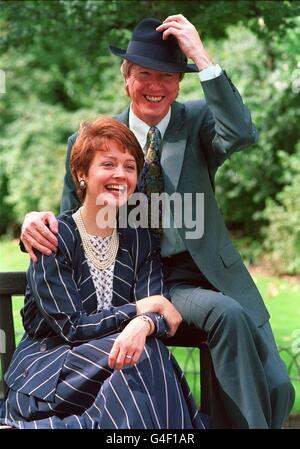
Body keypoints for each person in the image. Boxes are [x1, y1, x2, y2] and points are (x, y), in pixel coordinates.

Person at [19, 15, 294, 428]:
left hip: (209, 270)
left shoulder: (198, 121)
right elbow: (72, 213)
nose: (156, 85)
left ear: (180, 83)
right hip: (147, 279)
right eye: (145, 73)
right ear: (127, 77)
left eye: (167, 75)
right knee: (225, 316)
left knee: (275, 386)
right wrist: (31, 224)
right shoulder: (94, 140)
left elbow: (241, 133)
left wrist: (201, 56)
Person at [0, 117, 208, 429]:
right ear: (82, 174)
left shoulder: (140, 237)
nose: (121, 175)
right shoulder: (51, 236)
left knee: (139, 361)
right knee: (145, 358)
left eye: (129, 166)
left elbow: (158, 309)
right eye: (108, 164)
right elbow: (71, 327)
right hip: (53, 372)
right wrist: (139, 311)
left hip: (115, 370)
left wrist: (142, 324)